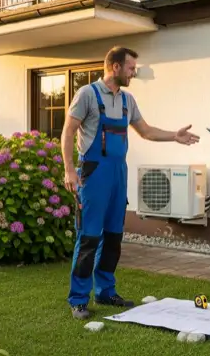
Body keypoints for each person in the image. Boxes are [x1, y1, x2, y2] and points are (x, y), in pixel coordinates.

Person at [61, 46, 200, 320]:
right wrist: (69, 170)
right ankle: (78, 299)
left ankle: (105, 291)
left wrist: (175, 136)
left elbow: (145, 131)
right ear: (115, 67)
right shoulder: (87, 95)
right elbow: (67, 132)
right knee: (89, 237)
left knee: (113, 238)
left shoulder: (128, 100)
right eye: (131, 68)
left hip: (118, 174)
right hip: (94, 172)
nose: (134, 72)